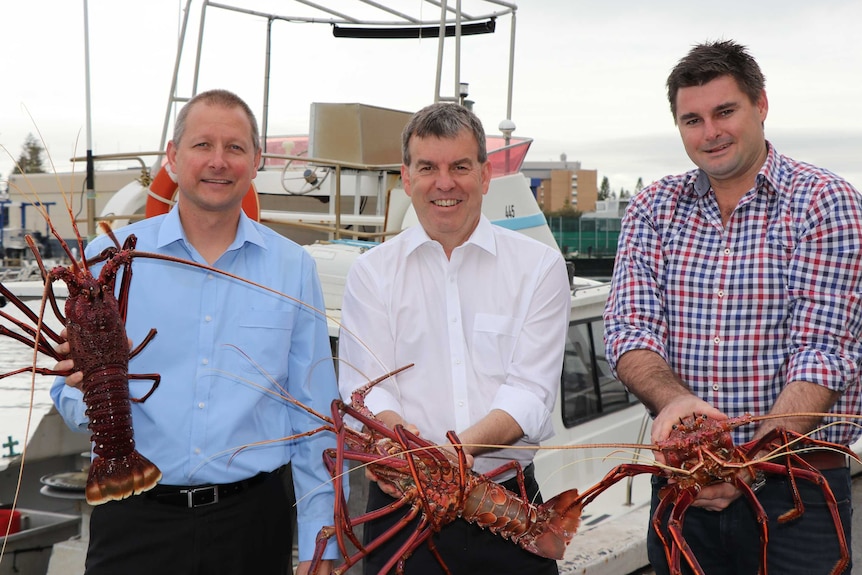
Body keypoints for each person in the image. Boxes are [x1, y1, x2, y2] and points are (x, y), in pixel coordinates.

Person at [50, 89, 340, 575]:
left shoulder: (293, 267)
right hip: (132, 512)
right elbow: (64, 387)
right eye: (203, 145)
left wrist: (322, 539)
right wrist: (94, 403)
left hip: (253, 523)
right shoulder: (107, 256)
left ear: (256, 161)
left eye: (235, 147)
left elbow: (314, 416)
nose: (218, 162)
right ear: (173, 156)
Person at [604, 40, 862, 575]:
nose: (710, 133)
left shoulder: (825, 201)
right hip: (684, 486)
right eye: (691, 119)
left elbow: (824, 352)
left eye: (725, 112)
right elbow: (630, 330)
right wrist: (674, 405)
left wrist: (750, 464)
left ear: (761, 105)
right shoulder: (653, 207)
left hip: (797, 486)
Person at [337, 102, 571, 575]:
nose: (444, 183)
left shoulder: (540, 267)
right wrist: (399, 436)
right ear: (407, 177)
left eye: (460, 167)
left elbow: (531, 393)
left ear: (485, 175)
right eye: (428, 168)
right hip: (404, 511)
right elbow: (363, 386)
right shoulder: (371, 273)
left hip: (511, 508)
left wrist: (451, 453)